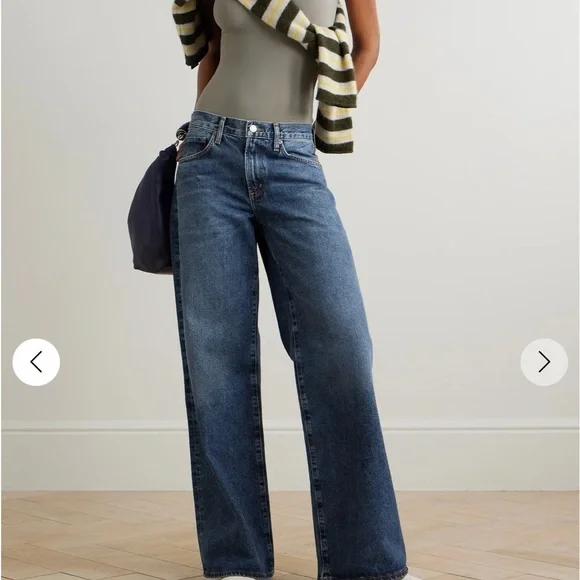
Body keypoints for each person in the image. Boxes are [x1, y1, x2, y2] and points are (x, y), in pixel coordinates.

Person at [170, 1, 415, 579]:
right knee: (215, 363)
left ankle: (366, 563)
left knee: (343, 349)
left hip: (293, 156)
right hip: (210, 155)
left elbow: (367, 45)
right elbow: (214, 49)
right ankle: (236, 562)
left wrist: (324, 113)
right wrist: (196, 141)